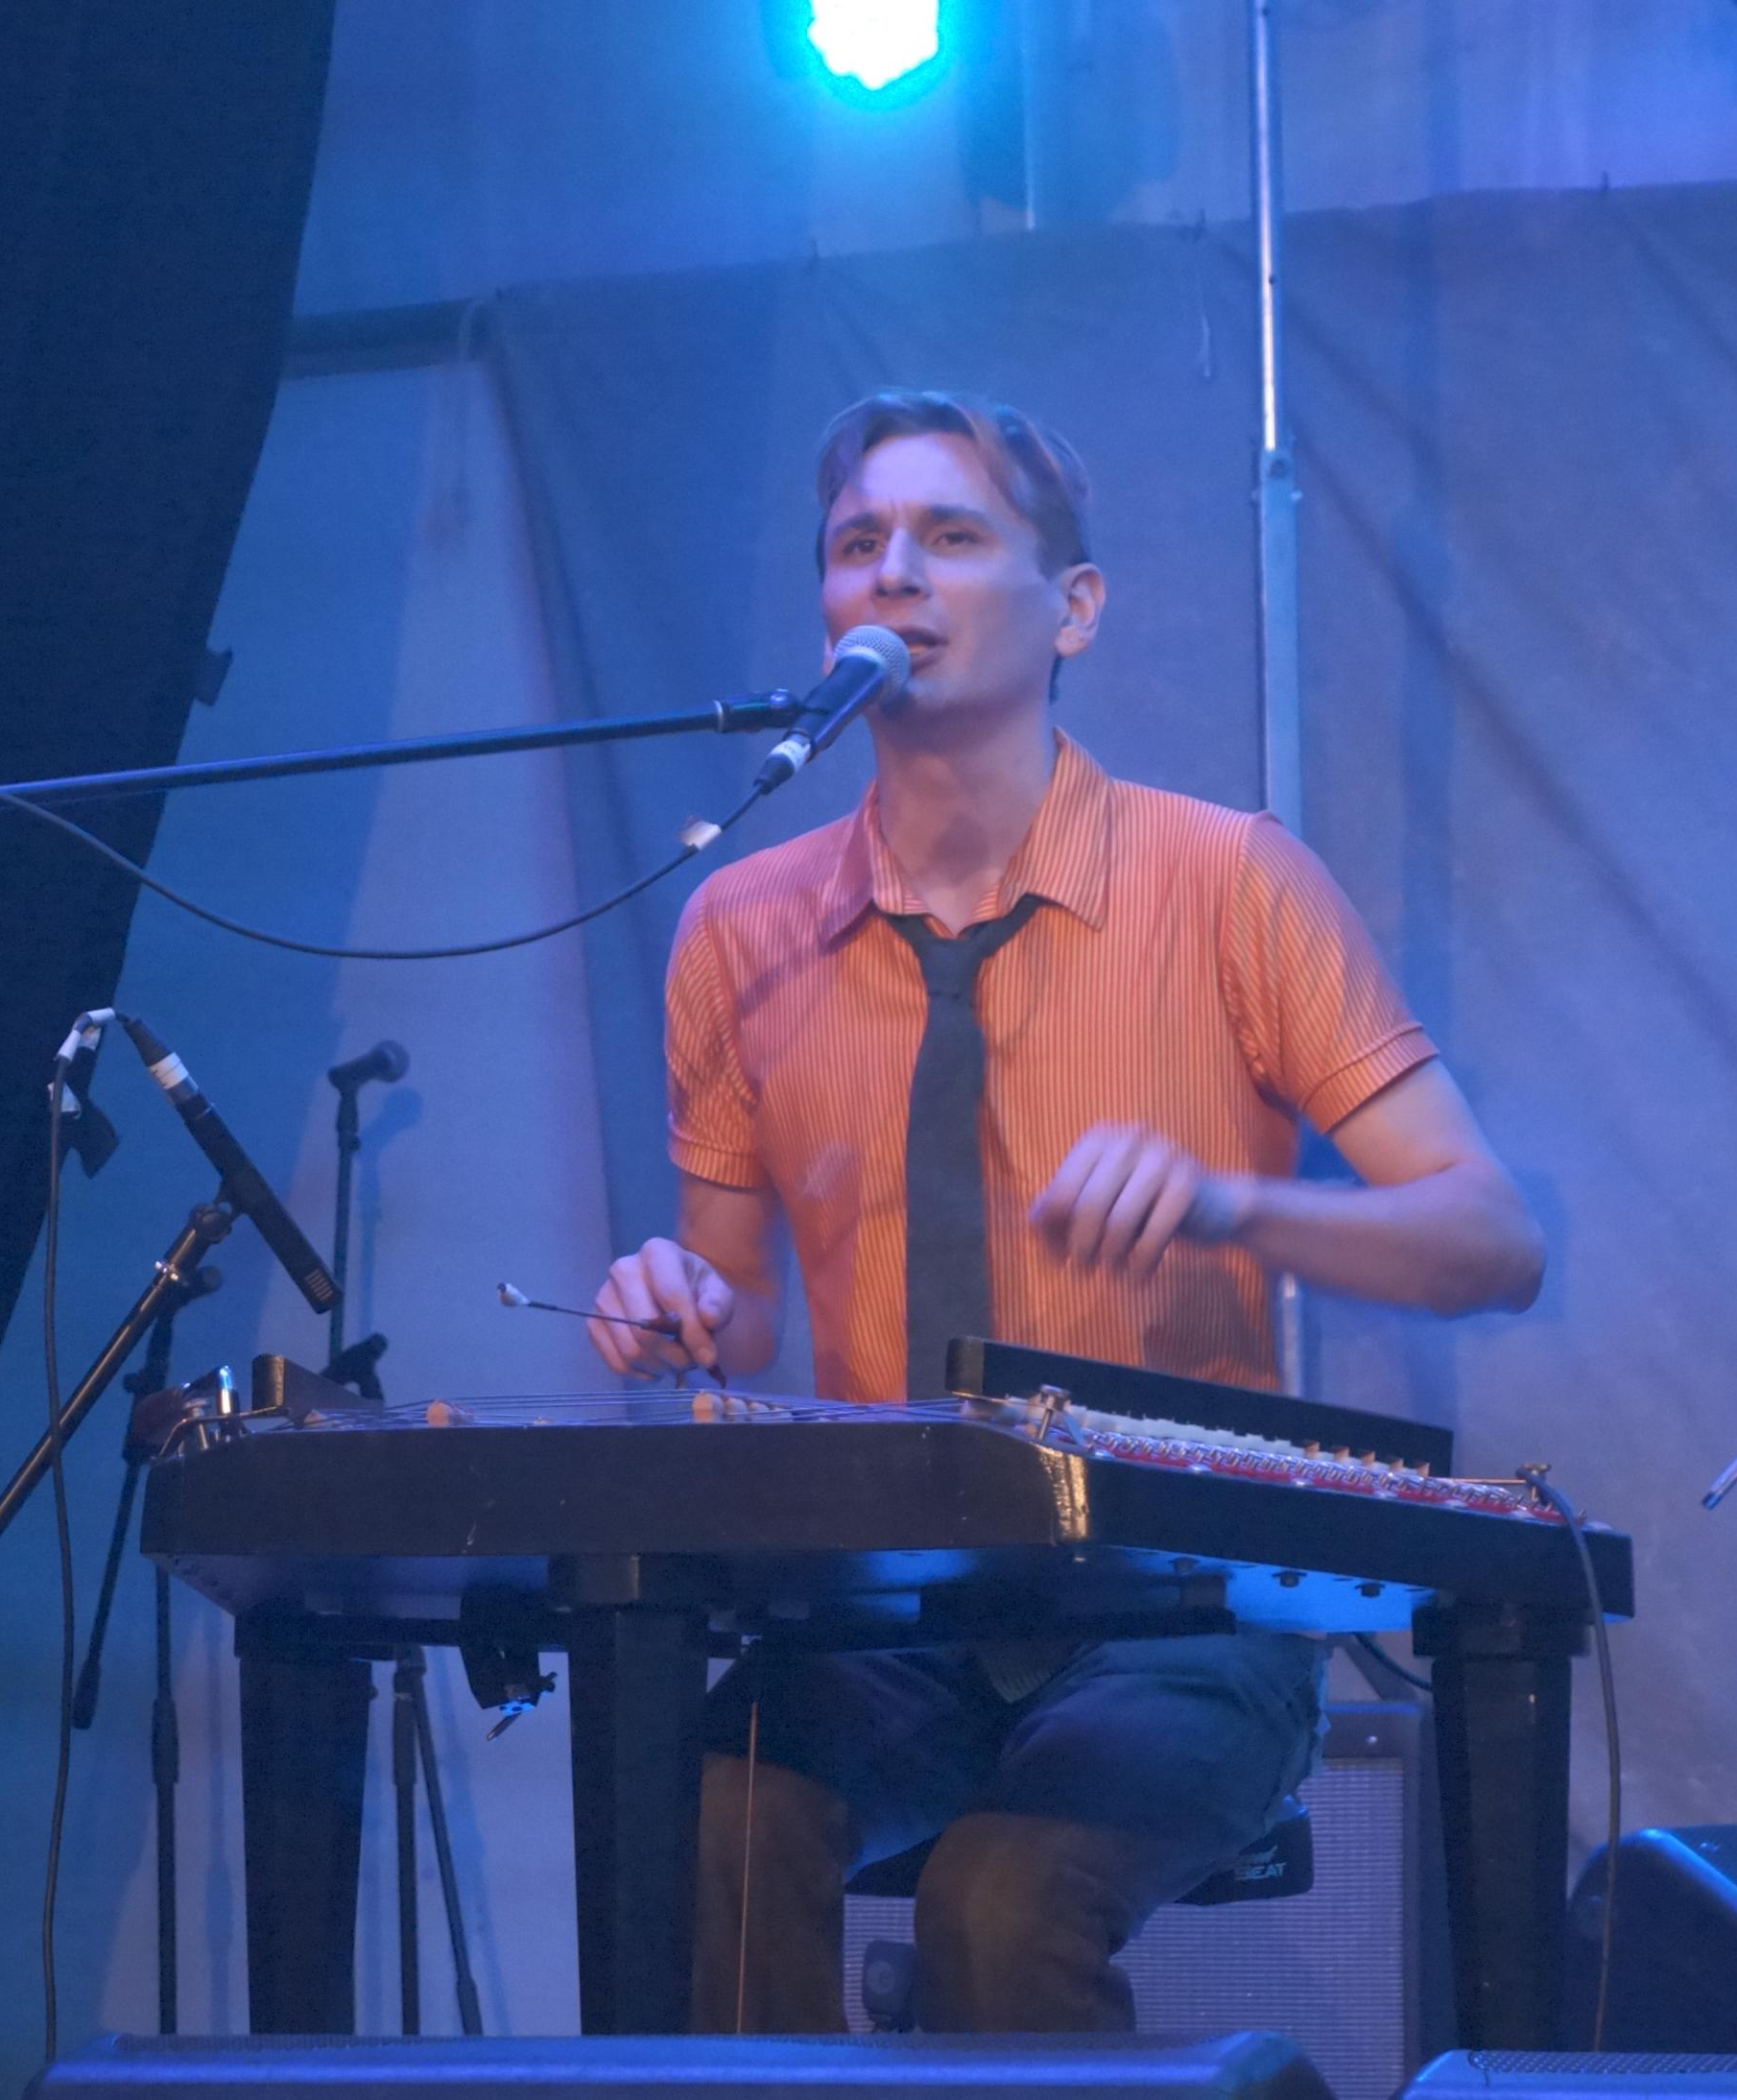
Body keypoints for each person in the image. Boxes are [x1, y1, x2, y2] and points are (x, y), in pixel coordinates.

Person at [586, 390, 1543, 2034]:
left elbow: (1493, 1242)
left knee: (1000, 1899)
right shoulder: (740, 929)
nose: (895, 573)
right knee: (707, 1823)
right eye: (857, 545)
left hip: (1189, 1609)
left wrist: (1234, 1205)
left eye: (952, 536)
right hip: (888, 1605)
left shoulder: (1229, 879)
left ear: (1074, 608)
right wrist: (671, 1302)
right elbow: (735, 1322)